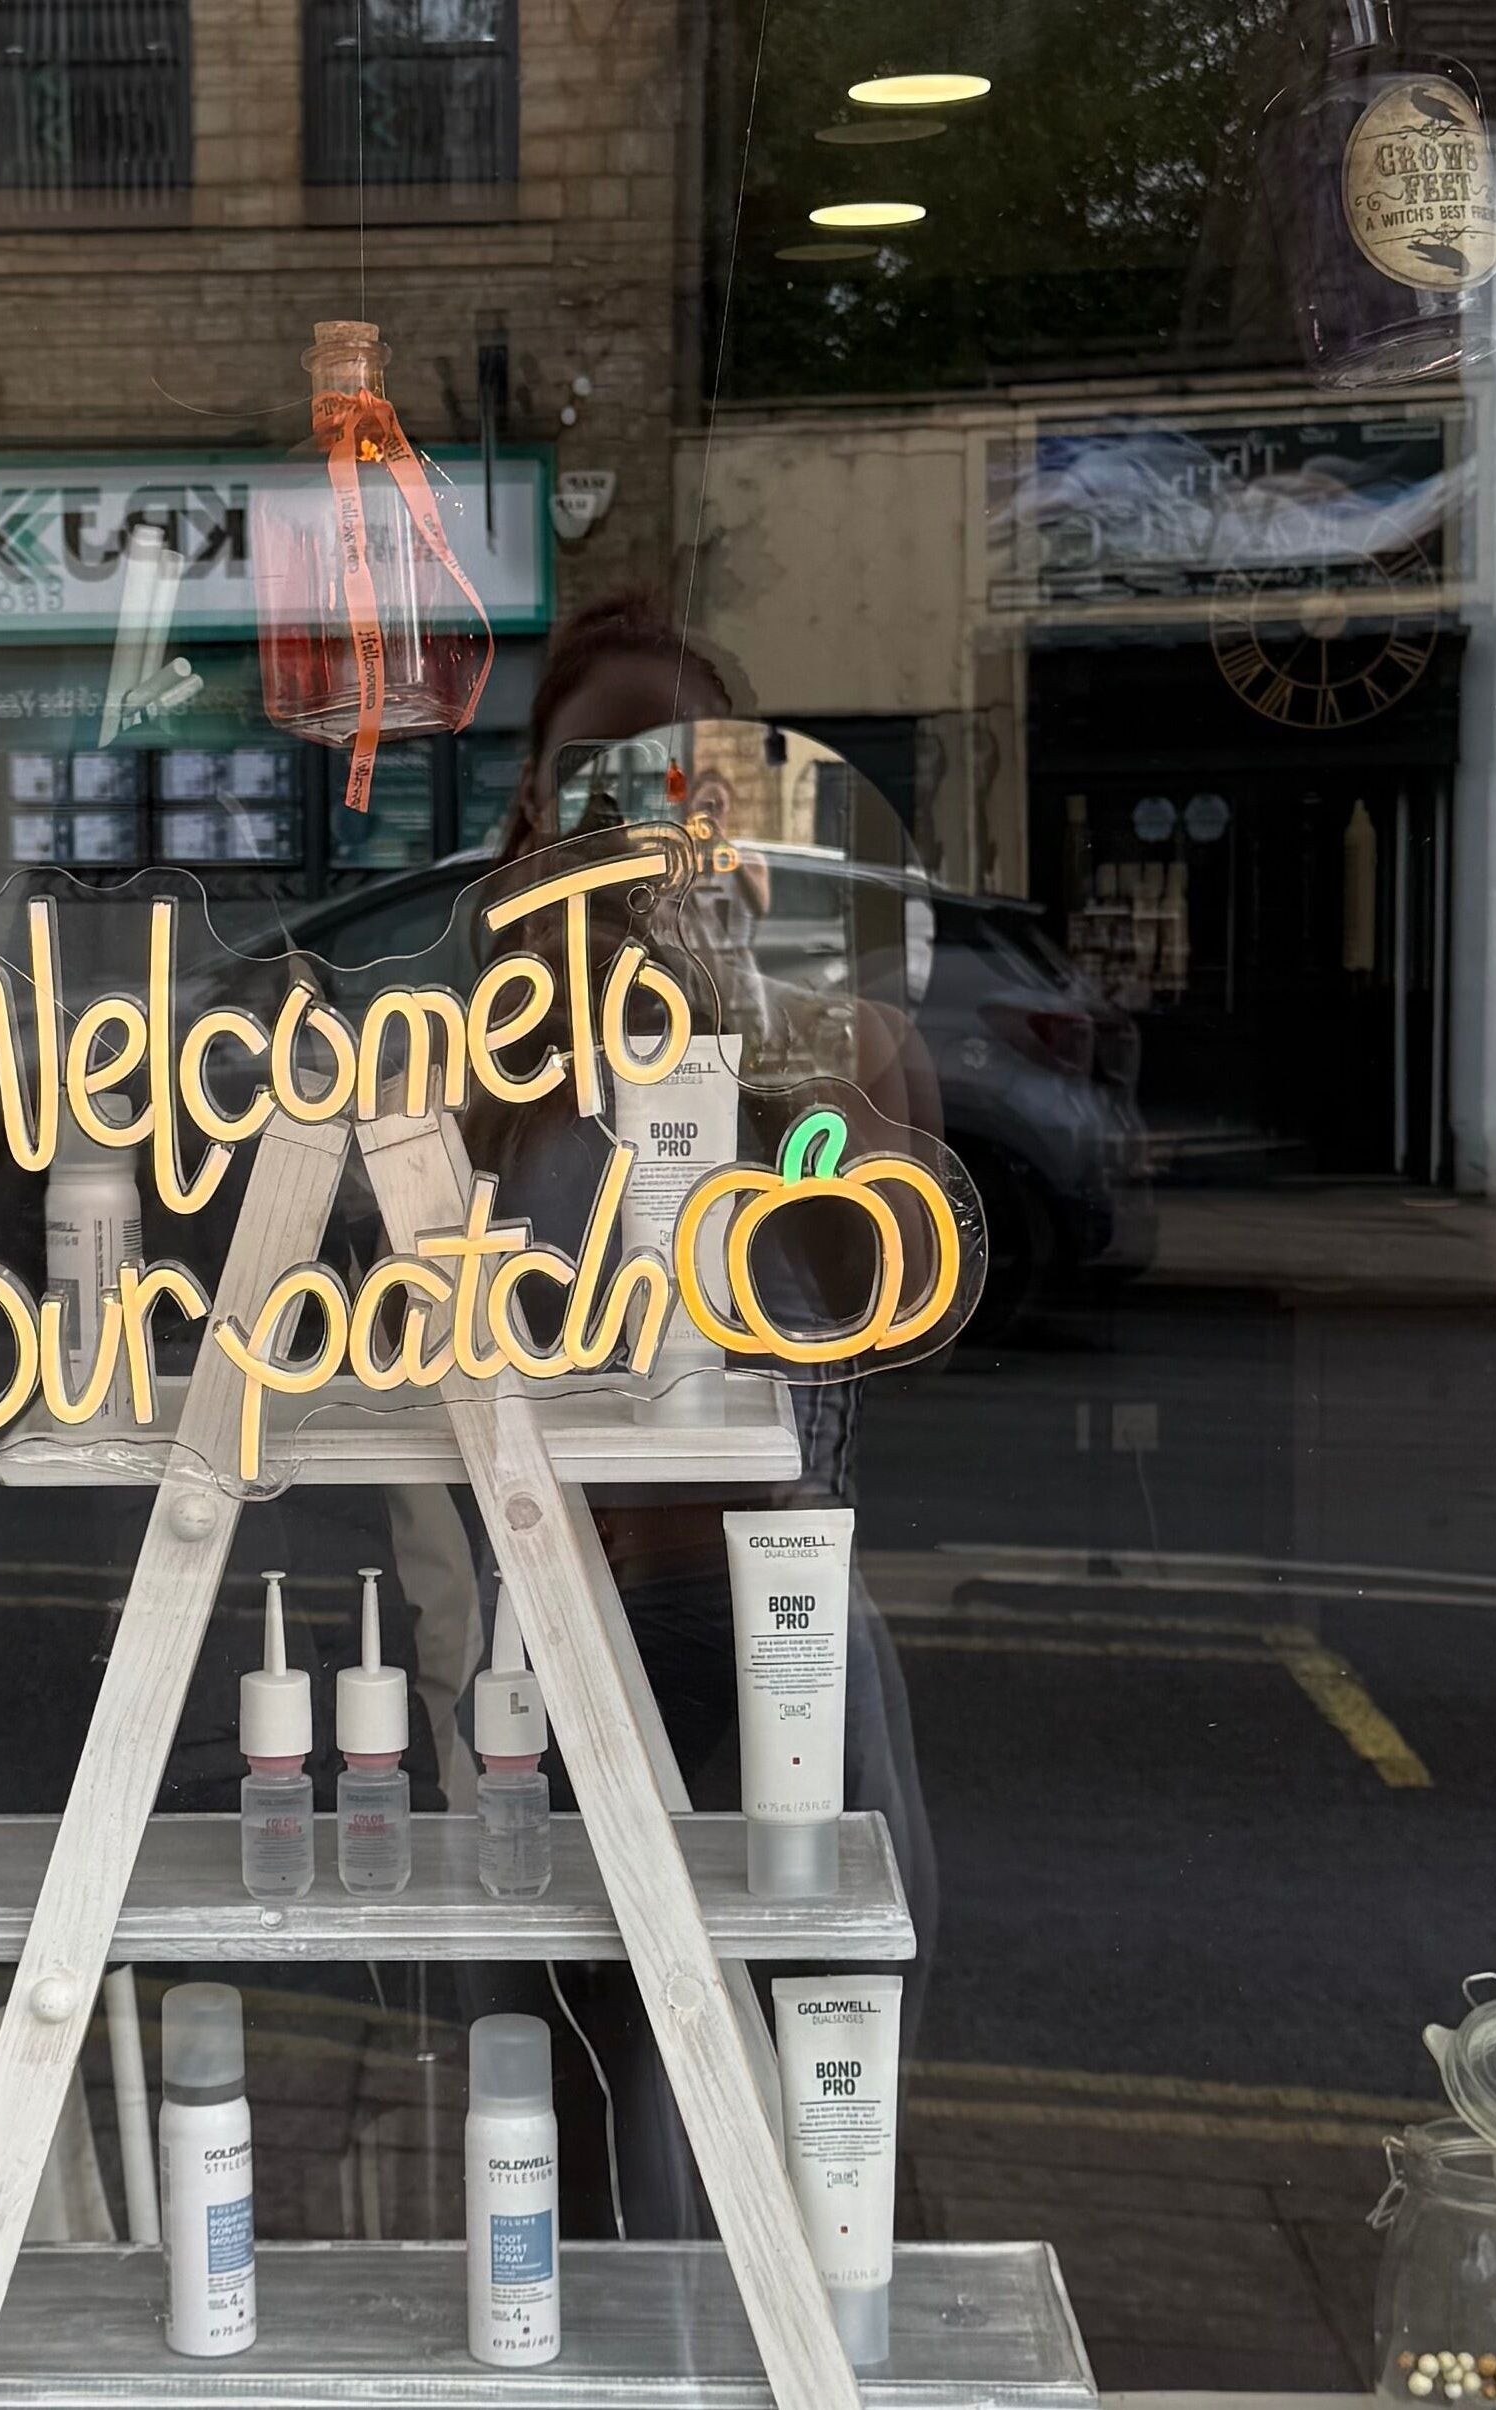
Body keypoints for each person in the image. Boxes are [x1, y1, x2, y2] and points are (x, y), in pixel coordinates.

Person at [440, 591, 947, 2243]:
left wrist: (751, 1010)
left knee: (830, 2084)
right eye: (596, 775)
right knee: (575, 2094)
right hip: (568, 1621)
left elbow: (898, 1272)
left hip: (782, 1623)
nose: (644, 814)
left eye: (687, 775)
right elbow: (422, 1307)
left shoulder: (836, 1021)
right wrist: (541, 970)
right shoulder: (488, 1038)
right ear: (532, 806)